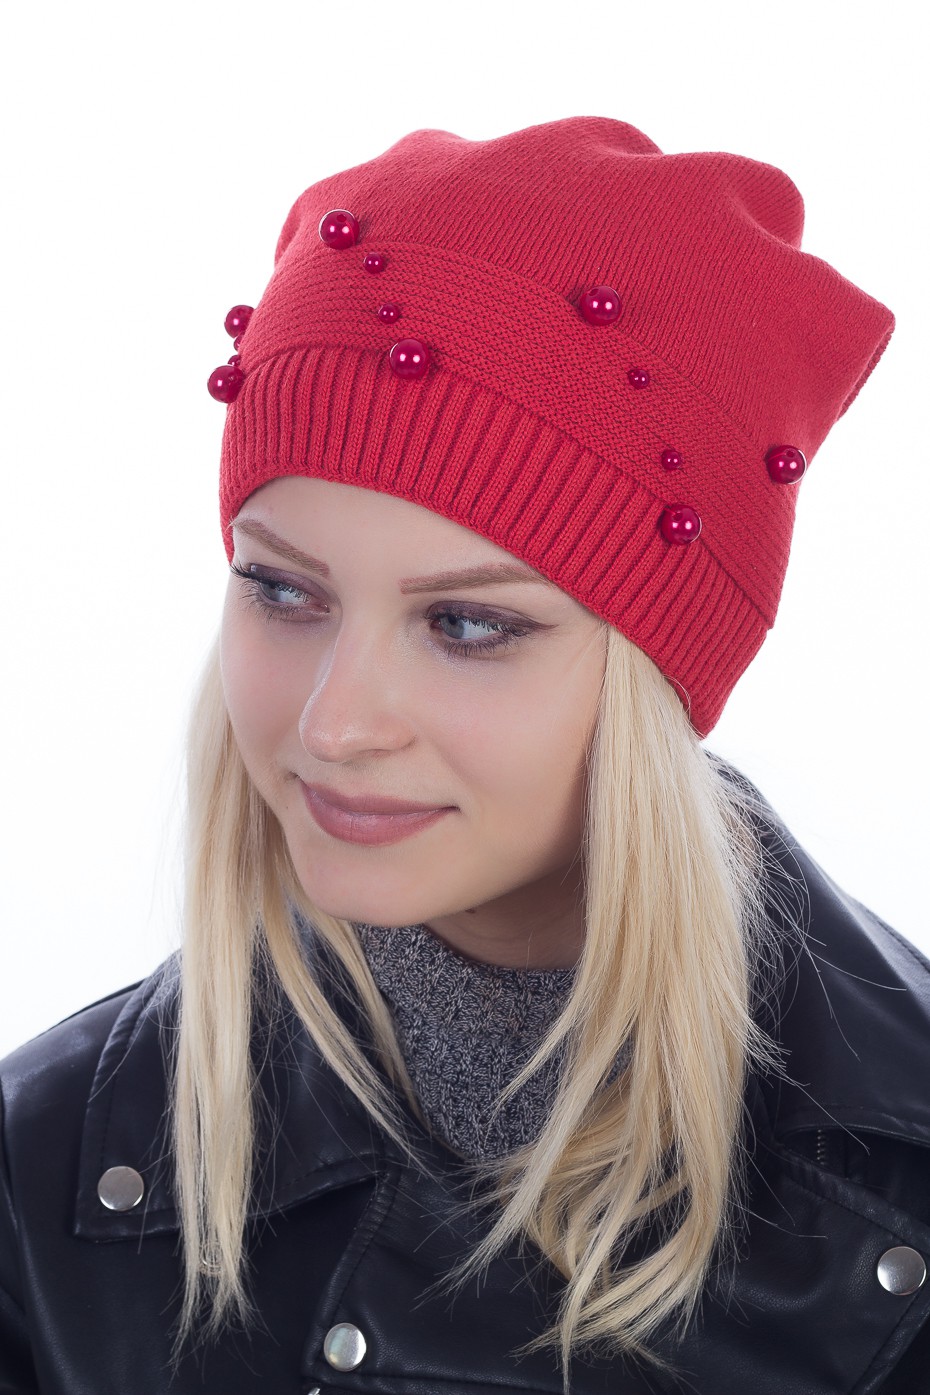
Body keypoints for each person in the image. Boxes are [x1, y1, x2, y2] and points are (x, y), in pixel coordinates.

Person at [1, 116, 927, 1395]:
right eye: (283, 592)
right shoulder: (43, 1182)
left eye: (469, 625)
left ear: (658, 680)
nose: (334, 726)